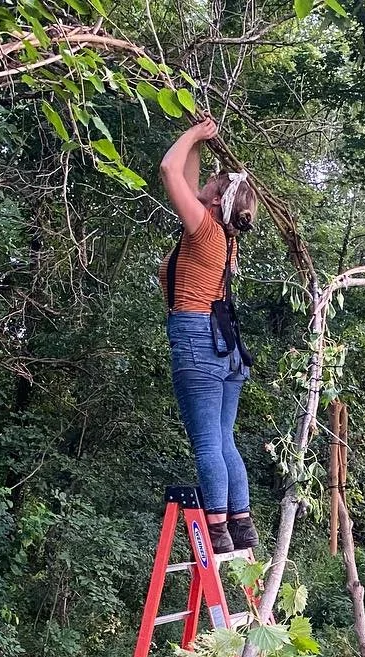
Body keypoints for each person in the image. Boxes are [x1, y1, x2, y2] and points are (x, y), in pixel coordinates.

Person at [159, 117, 259, 553]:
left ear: (216, 199)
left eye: (212, 184)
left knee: (206, 443)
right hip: (226, 347)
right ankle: (242, 524)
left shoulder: (202, 229)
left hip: (198, 338)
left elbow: (169, 170)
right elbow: (187, 176)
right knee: (223, 440)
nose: (201, 185)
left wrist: (194, 137)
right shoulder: (226, 236)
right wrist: (196, 131)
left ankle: (216, 531)